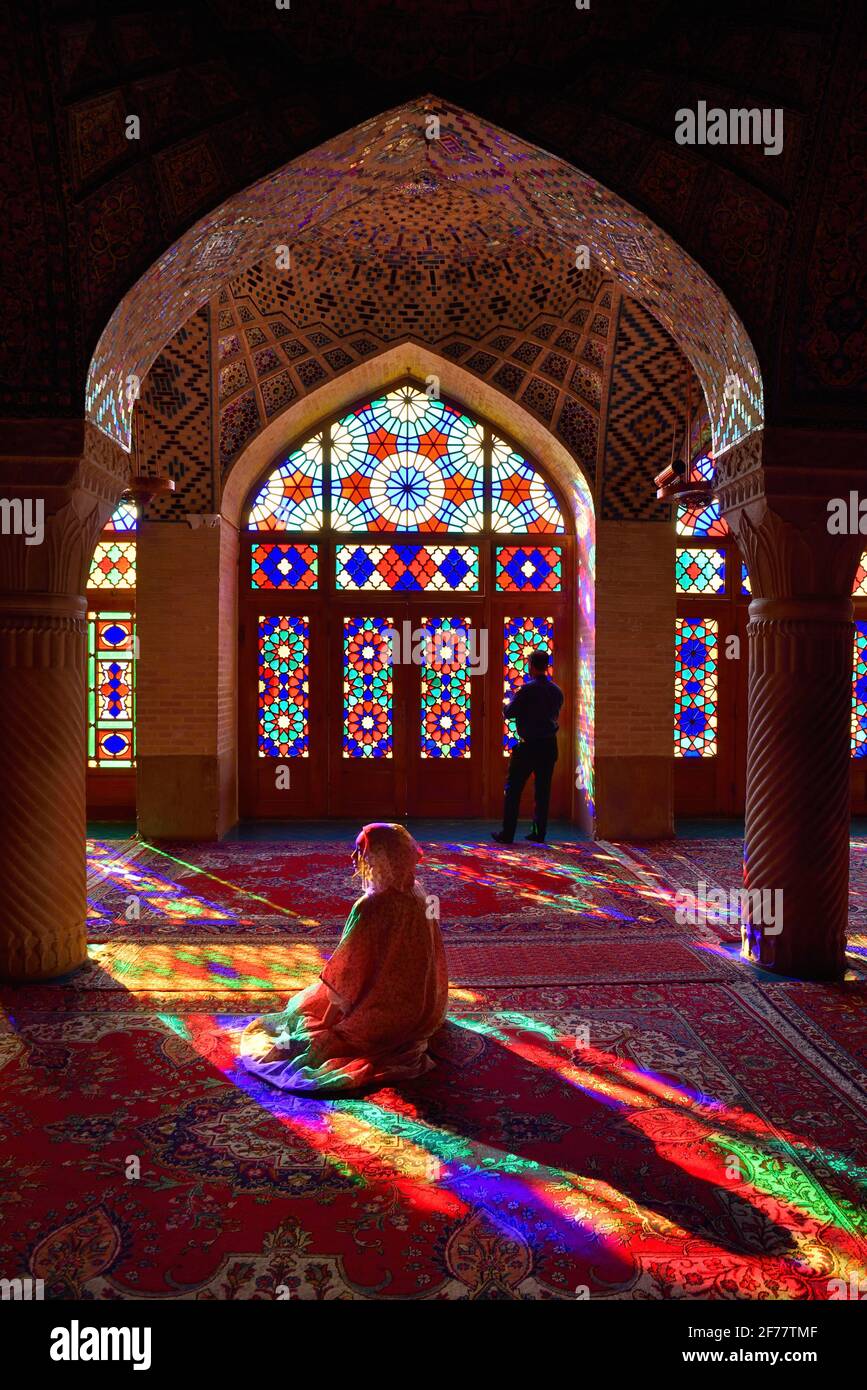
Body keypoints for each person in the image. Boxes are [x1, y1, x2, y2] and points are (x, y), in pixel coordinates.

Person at [239, 822, 448, 1094]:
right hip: (423, 1010)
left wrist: (329, 1025)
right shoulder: (421, 894)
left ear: (382, 857)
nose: (354, 858)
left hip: (382, 1021)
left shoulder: (371, 906)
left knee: (304, 1014)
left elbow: (346, 972)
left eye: (361, 851)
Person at [493, 649, 564, 845]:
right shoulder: (556, 691)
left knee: (514, 789)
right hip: (549, 746)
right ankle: (538, 833)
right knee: (542, 792)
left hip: (528, 747)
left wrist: (505, 705)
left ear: (531, 665)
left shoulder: (527, 690)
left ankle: (507, 834)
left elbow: (510, 713)